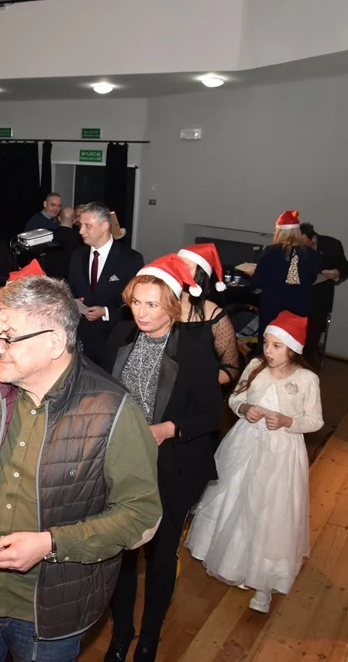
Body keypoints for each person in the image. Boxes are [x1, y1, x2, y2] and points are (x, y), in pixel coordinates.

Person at [0, 275, 161, 662]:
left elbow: (142, 519)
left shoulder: (112, 409)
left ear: (54, 343)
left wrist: (50, 544)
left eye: (8, 338)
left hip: (49, 614)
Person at [101, 255, 223, 662]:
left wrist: (168, 428)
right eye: (136, 302)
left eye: (152, 304)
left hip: (174, 466)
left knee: (160, 556)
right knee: (123, 555)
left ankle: (149, 637)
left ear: (171, 305)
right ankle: (121, 633)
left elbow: (211, 414)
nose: (142, 312)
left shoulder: (195, 347)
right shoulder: (121, 334)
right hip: (123, 464)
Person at [186, 311, 323, 614]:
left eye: (277, 346)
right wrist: (245, 409)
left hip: (281, 452)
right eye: (267, 343)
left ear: (293, 349)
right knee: (235, 496)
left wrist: (288, 421)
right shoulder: (255, 366)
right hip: (245, 443)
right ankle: (226, 556)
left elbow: (315, 420)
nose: (268, 351)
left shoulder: (306, 380)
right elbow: (235, 398)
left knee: (270, 509)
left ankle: (264, 583)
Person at [68, 202, 145, 364]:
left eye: (87, 226)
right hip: (81, 339)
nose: (81, 231)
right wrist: (74, 301)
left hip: (114, 339)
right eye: (80, 225)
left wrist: (106, 311)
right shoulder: (77, 255)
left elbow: (136, 303)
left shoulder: (130, 259)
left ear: (104, 226)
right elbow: (72, 288)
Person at [243, 210, 318, 346]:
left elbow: (258, 282)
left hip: (273, 307)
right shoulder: (311, 254)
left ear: (280, 232)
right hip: (299, 308)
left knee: (270, 343)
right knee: (292, 344)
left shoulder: (271, 251)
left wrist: (253, 274)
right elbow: (312, 279)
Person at [175, 243, 241, 385]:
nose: (179, 270)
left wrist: (199, 384)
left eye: (186, 267)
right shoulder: (160, 306)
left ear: (200, 275)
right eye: (177, 265)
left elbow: (231, 368)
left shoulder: (215, 316)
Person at [300, 222, 348, 364]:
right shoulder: (293, 244)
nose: (302, 247)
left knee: (312, 335)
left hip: (319, 298)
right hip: (297, 296)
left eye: (305, 244)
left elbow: (346, 269)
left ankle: (306, 366)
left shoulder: (332, 245)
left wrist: (337, 273)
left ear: (314, 238)